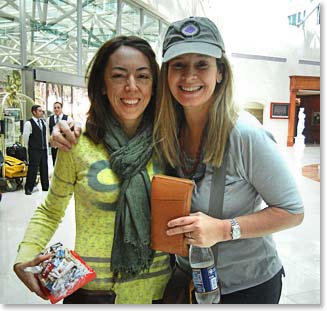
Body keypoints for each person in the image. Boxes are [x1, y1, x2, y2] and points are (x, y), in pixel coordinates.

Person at [50, 17, 304, 304]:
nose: (189, 76)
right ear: (166, 74)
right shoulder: (165, 131)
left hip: (245, 287)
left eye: (202, 64)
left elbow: (293, 211)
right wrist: (69, 128)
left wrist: (222, 229)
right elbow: (118, 124)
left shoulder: (245, 135)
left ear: (220, 72)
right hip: (188, 284)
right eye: (179, 65)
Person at [13, 36, 171, 304]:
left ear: (154, 86)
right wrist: (25, 254)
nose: (131, 87)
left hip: (157, 293)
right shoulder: (77, 143)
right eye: (119, 76)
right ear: (102, 86)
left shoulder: (168, 143)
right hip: (94, 293)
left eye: (143, 76)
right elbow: (51, 210)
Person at [23, 105, 49, 195]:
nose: (41, 112)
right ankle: (29, 188)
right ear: (34, 112)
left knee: (44, 168)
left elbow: (46, 136)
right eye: (39, 111)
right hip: (34, 150)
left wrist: (46, 147)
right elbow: (25, 137)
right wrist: (28, 148)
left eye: (42, 111)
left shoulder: (43, 122)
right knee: (33, 169)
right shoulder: (28, 123)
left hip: (43, 149)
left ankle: (45, 186)